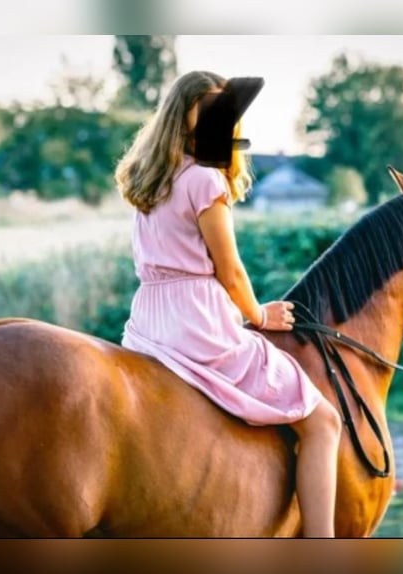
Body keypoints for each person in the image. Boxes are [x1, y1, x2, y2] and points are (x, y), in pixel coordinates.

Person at [116, 70, 342, 537]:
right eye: (211, 111)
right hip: (198, 324)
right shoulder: (204, 180)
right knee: (323, 420)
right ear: (184, 117)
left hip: (148, 322)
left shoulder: (149, 179)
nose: (223, 122)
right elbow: (231, 270)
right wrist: (260, 316)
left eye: (227, 112)